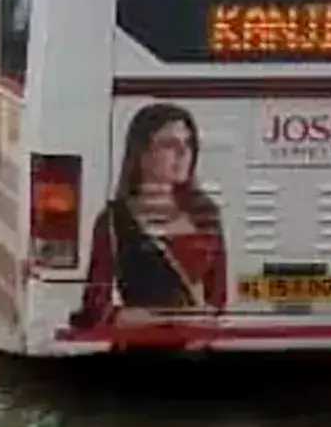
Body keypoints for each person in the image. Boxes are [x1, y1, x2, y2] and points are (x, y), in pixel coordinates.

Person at [66, 103, 227, 337]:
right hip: (139, 344)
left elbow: (218, 299)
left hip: (195, 345)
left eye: (188, 144)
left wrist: (204, 320)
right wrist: (127, 317)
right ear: (142, 153)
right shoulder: (114, 220)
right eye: (170, 145)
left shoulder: (206, 213)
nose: (183, 153)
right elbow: (95, 306)